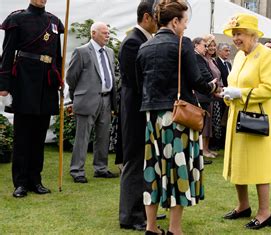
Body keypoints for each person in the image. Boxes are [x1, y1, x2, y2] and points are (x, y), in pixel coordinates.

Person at [136, 0, 218, 233]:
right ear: (175, 21)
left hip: (152, 117)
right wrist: (212, 87)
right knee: (177, 170)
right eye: (185, 22)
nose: (185, 27)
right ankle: (175, 229)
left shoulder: (145, 46)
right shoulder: (182, 44)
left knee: (152, 169)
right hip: (177, 116)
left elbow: (138, 82)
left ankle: (151, 227)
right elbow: (196, 81)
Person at [220, 13, 271, 230]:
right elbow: (234, 83)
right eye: (234, 34)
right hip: (237, 117)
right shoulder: (238, 57)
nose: (235, 38)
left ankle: (265, 213)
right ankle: (242, 205)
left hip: (257, 119)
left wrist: (240, 93)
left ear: (252, 34)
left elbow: (269, 88)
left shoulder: (266, 55)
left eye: (239, 33)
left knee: (259, 165)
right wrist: (229, 95)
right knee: (238, 163)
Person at [0, 0, 63, 198]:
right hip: (25, 81)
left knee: (39, 135)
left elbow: (58, 56)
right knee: (23, 136)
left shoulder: (54, 21)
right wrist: (3, 85)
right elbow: (7, 53)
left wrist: (60, 78)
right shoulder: (17, 19)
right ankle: (20, 183)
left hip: (47, 83)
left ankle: (36, 179)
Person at [118, 1, 158, 231]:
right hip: (135, 111)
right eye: (156, 16)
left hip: (142, 110)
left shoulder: (144, 40)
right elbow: (136, 81)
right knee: (133, 162)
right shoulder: (133, 42)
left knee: (144, 162)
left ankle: (143, 210)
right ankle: (130, 216)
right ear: (146, 17)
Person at [66, 22, 118, 183]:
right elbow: (71, 77)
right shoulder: (81, 52)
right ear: (93, 33)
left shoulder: (109, 52)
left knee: (103, 136)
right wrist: (79, 95)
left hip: (106, 99)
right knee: (82, 137)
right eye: (104, 33)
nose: (107, 36)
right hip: (87, 100)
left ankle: (100, 168)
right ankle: (77, 171)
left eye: (108, 33)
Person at [193, 37, 216, 161]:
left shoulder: (199, 57)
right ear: (196, 45)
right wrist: (213, 83)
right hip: (201, 96)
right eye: (204, 45)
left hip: (204, 96)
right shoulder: (196, 57)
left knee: (201, 127)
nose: (206, 48)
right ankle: (199, 155)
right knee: (199, 127)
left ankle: (200, 154)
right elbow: (205, 75)